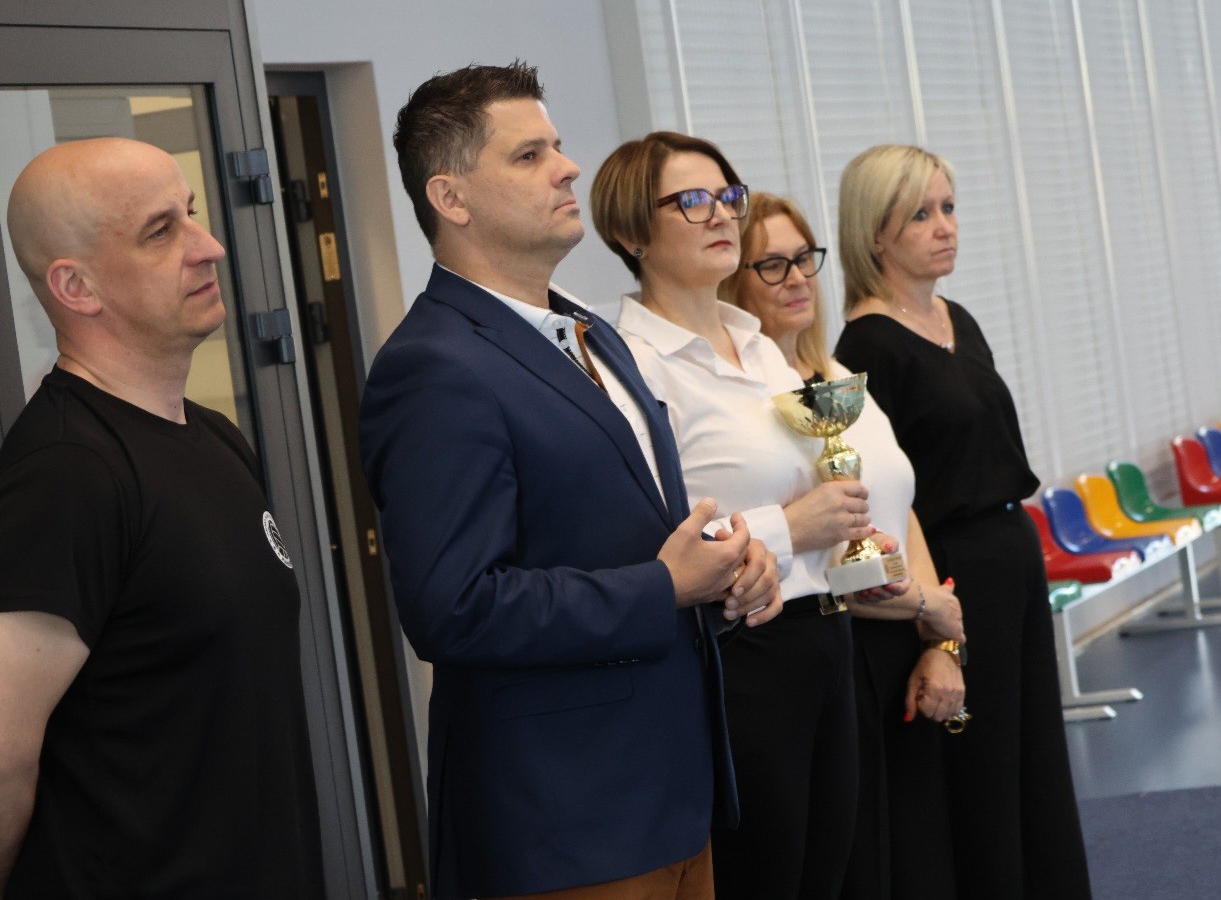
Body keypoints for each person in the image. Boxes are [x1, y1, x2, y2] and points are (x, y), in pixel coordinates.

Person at [359, 63, 781, 900]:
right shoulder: (433, 366)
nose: (567, 168)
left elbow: (619, 532)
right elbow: (453, 607)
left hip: (673, 790)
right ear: (450, 198)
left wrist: (725, 575)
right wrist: (664, 587)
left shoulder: (588, 330)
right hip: (566, 818)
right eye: (529, 156)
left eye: (556, 146)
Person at [591, 133, 963, 900]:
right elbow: (643, 539)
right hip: (740, 651)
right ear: (631, 233)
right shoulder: (628, 363)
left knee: (827, 876)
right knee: (763, 877)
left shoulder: (762, 350)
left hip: (828, 636)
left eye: (726, 195)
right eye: (691, 201)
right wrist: (791, 529)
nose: (719, 213)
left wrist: (864, 556)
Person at [0, 138, 323, 898]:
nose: (208, 247)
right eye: (160, 231)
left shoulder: (214, 438)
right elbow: (5, 756)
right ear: (76, 286)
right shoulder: (67, 472)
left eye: (192, 213)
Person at [834, 144, 1092, 899]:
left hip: (1010, 553)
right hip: (952, 568)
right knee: (982, 771)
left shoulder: (956, 318)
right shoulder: (867, 346)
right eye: (920, 214)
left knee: (1032, 756)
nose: (944, 227)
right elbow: (893, 500)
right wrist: (935, 631)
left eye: (948, 208)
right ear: (874, 234)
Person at [720, 190, 965, 900]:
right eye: (771, 265)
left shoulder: (834, 377)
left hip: (904, 643)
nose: (797, 278)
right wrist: (929, 608)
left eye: (804, 258)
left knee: (920, 861)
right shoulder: (755, 411)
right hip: (842, 649)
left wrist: (940, 641)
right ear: (732, 281)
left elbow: (901, 508)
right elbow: (826, 567)